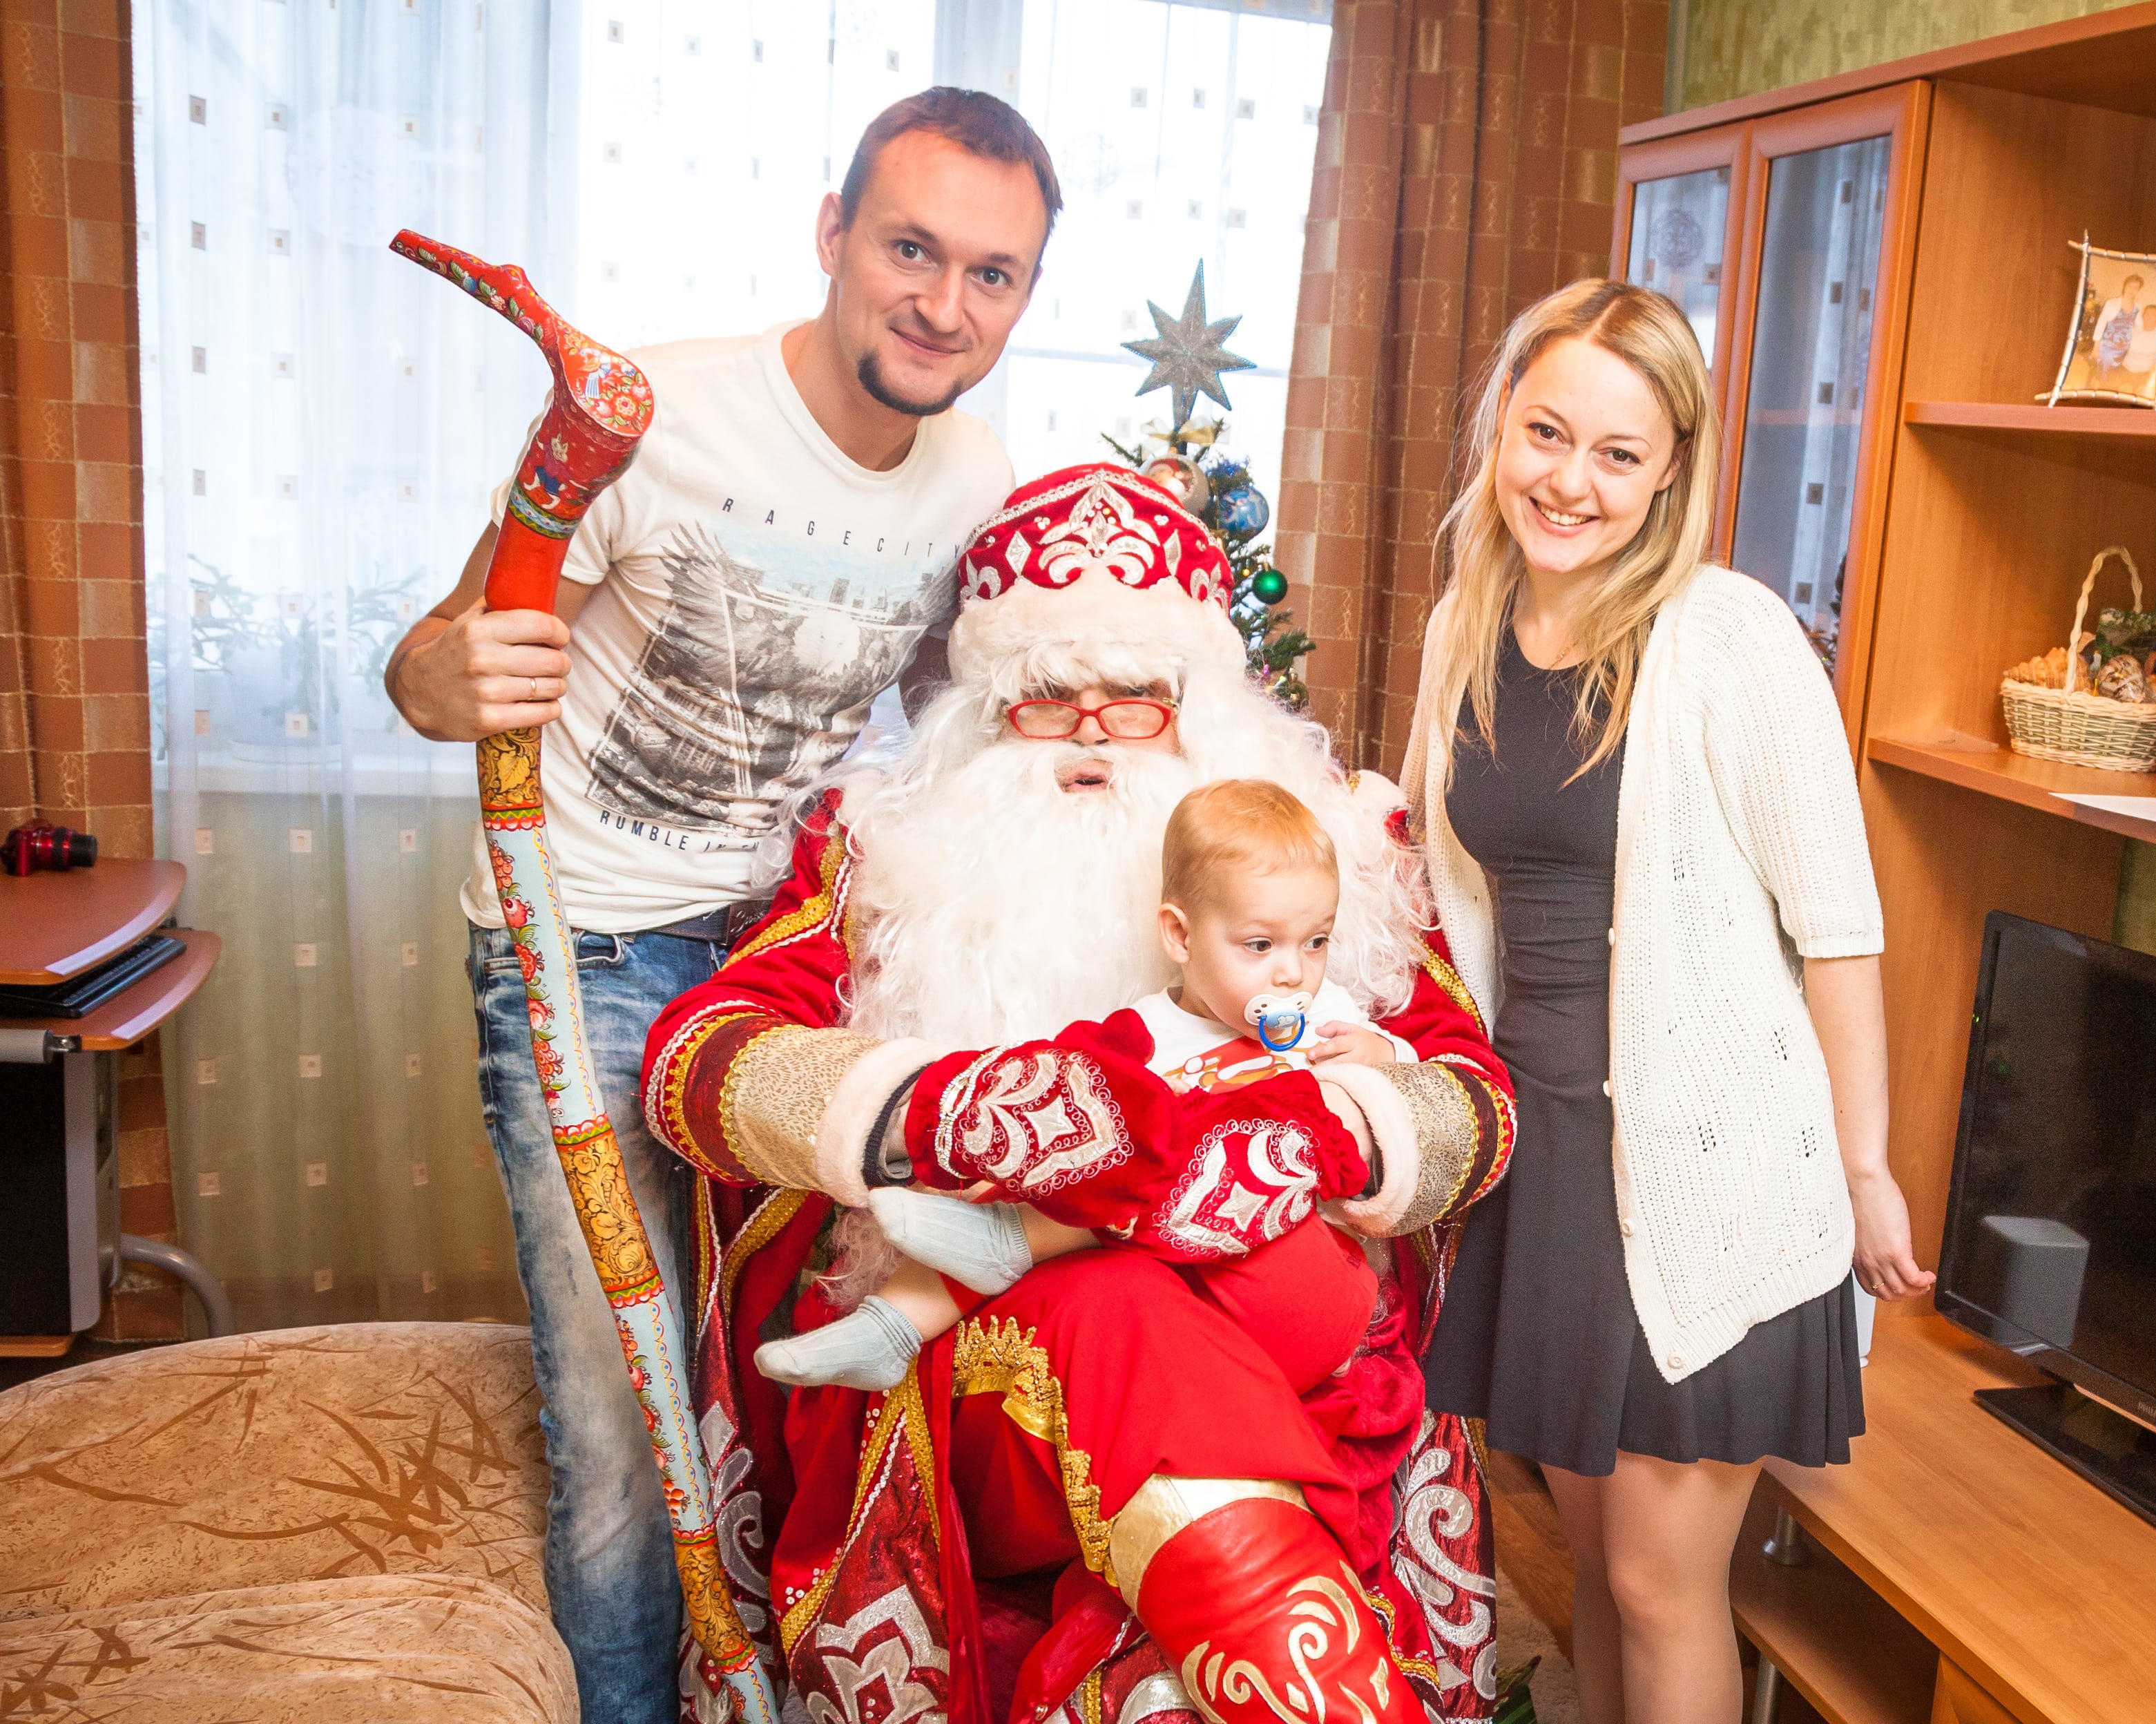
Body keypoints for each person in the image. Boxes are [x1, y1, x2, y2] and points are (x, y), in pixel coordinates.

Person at [639, 464, 1516, 1724]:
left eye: (1136, 701)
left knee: (1155, 1320)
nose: (1093, 732)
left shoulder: (1326, 859)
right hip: (999, 1358)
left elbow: (1475, 1101)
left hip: (1277, 1307)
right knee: (1119, 1311)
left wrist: (1334, 1131)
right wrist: (951, 1114)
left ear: (1200, 709)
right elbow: (698, 1063)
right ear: (988, 708)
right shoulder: (877, 856)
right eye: (1049, 698)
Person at [381, 88, 1055, 1724]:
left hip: (778, 971)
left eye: (990, 274)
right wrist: (443, 681)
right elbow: (429, 657)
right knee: (625, 1417)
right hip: (587, 950)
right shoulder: (654, 415)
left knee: (778, 1371)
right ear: (832, 234)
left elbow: (956, 726)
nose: (942, 303)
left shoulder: (975, 475)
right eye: (909, 249)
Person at [1402, 278, 1935, 1724]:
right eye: (1545, 433)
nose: (1569, 481)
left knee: (1658, 1584)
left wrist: (1864, 1167)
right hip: (1544, 1165)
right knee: (1589, 1561)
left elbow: (1839, 929)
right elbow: (1439, 890)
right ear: (1500, 426)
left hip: (1713, 1171)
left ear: (1670, 472)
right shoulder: (1466, 623)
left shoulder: (1729, 638)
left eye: (1617, 453)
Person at [748, 777, 1409, 1395]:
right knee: (1082, 1152)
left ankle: (1010, 1242)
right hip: (1180, 1304)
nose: (1294, 973)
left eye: (1316, 941)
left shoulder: (1330, 1019)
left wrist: (1380, 1056)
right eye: (1261, 946)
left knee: (1215, 1137)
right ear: (1180, 936)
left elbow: (1392, 1099)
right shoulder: (1140, 1035)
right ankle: (888, 1329)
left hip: (1303, 1288)